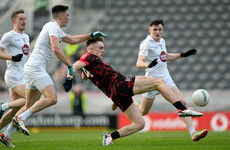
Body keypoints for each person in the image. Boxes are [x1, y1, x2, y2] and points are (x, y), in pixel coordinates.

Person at [62, 37, 203, 146]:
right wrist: (69, 79)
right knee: (159, 82)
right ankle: (181, 109)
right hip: (120, 84)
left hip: (114, 95)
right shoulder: (88, 57)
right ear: (91, 49)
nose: (103, 50)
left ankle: (110, 137)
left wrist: (85, 73)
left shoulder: (89, 62)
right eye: (100, 48)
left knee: (140, 124)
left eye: (103, 48)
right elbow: (73, 66)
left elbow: (84, 76)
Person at [5, 5, 106, 145]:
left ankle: (6, 133)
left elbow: (72, 39)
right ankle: (20, 118)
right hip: (36, 67)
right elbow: (56, 48)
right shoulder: (53, 27)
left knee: (29, 104)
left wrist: (91, 35)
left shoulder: (55, 28)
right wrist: (69, 65)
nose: (69, 18)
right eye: (67, 15)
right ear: (61, 16)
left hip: (32, 67)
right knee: (52, 98)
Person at [135, 19, 208, 141]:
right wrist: (148, 65)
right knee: (143, 111)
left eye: (160, 29)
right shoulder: (146, 43)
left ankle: (193, 133)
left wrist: (182, 55)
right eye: (155, 29)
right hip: (152, 82)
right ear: (149, 30)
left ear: (163, 30)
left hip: (166, 79)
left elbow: (165, 56)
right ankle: (127, 101)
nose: (157, 32)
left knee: (182, 103)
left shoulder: (162, 41)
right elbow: (139, 62)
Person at [0, 9, 29, 148]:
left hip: (22, 75)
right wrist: (11, 57)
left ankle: (5, 134)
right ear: (14, 21)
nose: (24, 21)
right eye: (21, 19)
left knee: (15, 109)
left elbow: (25, 56)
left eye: (25, 19)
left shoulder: (27, 37)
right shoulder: (9, 36)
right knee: (30, 100)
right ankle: (2, 106)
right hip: (13, 75)